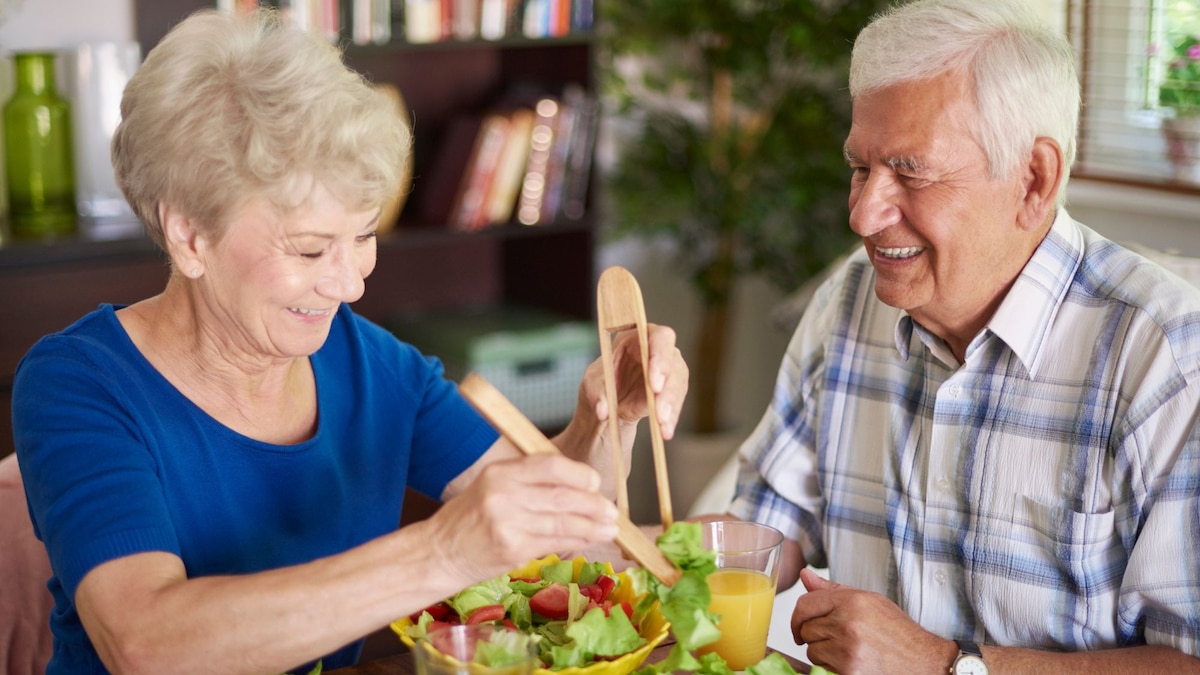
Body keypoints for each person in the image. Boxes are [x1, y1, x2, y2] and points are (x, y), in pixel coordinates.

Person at [11, 8, 688, 675]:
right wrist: (444, 553)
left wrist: (607, 419)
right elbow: (146, 644)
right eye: (309, 249)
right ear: (190, 236)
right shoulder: (80, 382)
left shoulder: (374, 365)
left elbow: (562, 540)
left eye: (363, 237)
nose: (349, 285)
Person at [720, 0, 1200, 673]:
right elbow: (766, 533)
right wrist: (596, 511)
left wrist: (945, 664)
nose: (863, 213)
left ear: (1034, 179)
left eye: (910, 172)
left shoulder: (1169, 360)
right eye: (861, 168)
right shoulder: (848, 302)